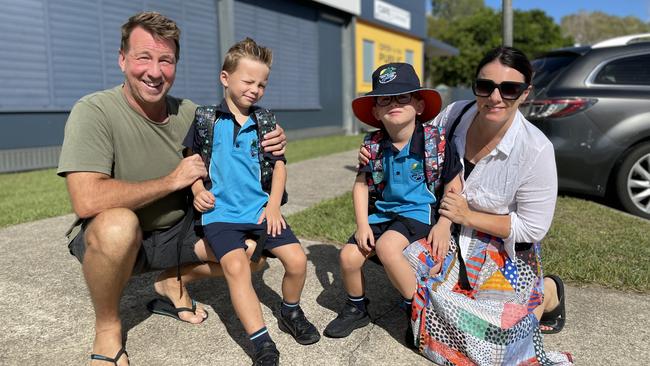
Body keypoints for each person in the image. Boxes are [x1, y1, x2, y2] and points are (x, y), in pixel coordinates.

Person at [57, 12, 287, 365]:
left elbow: (243, 123)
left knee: (256, 254)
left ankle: (171, 282)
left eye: (165, 60)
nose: (154, 71)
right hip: (124, 238)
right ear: (122, 60)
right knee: (117, 225)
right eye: (143, 57)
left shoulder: (194, 114)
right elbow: (86, 199)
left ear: (175, 65)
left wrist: (271, 139)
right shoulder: (94, 111)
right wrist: (171, 181)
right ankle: (107, 327)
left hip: (180, 230)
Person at [360, 47, 571, 364]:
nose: (495, 97)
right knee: (400, 253)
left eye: (509, 88)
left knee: (498, 341)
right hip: (447, 227)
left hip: (499, 246)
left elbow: (532, 228)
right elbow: (410, 134)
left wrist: (466, 215)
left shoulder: (536, 149)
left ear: (525, 93)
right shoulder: (455, 115)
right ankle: (425, 317)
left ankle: (550, 292)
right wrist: (371, 151)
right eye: (486, 86)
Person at [184, 37, 320, 365]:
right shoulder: (205, 121)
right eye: (248, 81)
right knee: (236, 265)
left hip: (261, 210)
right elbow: (192, 165)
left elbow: (280, 167)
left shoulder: (266, 123)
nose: (255, 89)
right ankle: (261, 340)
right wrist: (198, 191)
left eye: (262, 84)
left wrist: (273, 206)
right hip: (221, 214)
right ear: (225, 78)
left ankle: (290, 311)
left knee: (297, 261)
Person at [323, 63, 463, 342]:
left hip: (417, 213)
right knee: (348, 256)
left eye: (403, 97)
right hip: (383, 213)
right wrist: (362, 225)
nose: (394, 104)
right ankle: (356, 307)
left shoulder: (435, 143)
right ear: (375, 111)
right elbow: (361, 186)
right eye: (384, 99)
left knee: (388, 248)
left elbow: (454, 185)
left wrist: (445, 223)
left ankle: (420, 312)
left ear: (420, 105)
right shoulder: (373, 146)